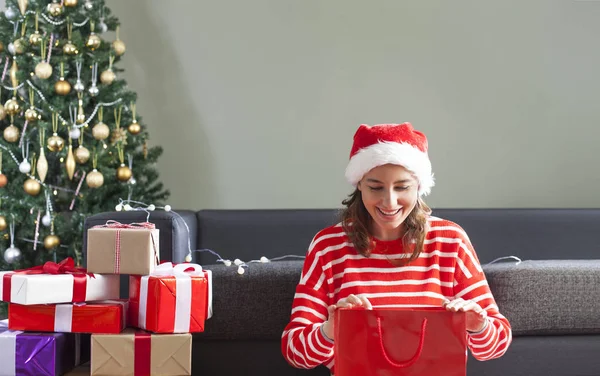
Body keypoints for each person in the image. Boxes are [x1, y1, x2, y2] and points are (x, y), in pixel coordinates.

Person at [281, 123, 512, 374]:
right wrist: (331, 329)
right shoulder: (328, 246)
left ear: (419, 186)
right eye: (375, 187)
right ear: (359, 184)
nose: (389, 201)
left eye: (402, 187)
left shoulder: (451, 241)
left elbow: (495, 346)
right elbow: (296, 353)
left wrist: (478, 325)